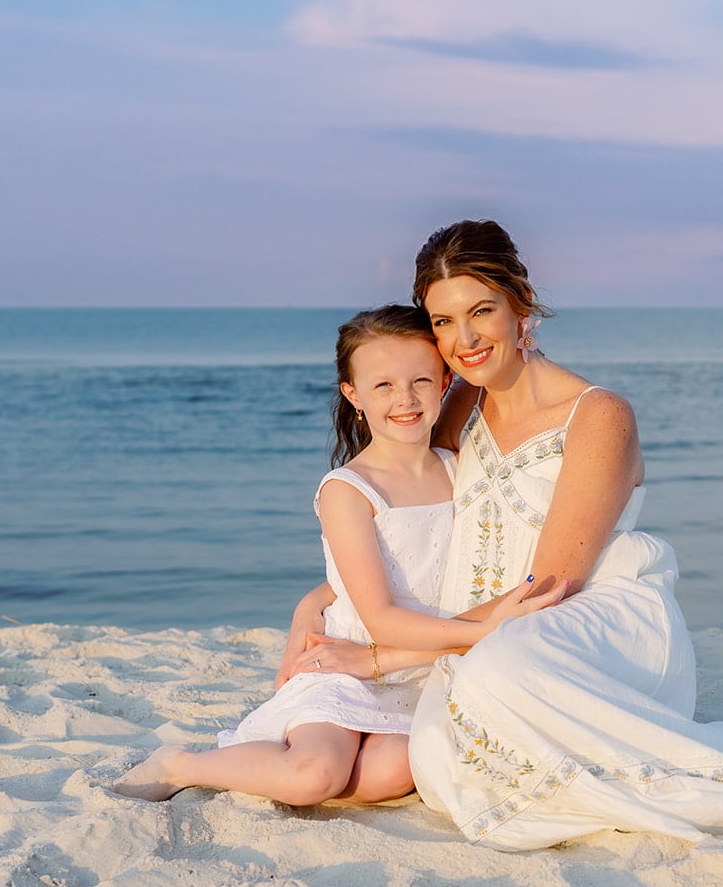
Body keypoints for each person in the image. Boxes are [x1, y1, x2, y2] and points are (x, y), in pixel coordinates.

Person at [284, 221, 723, 850]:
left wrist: (379, 656)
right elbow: (414, 528)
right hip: (484, 629)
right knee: (435, 753)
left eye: (481, 310)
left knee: (497, 669)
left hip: (590, 620)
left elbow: (551, 584)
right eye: (443, 320)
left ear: (521, 307)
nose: (464, 337)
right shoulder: (461, 405)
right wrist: (316, 602)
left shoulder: (597, 415)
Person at [113, 304, 559, 805]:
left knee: (394, 772)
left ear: (446, 381)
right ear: (353, 395)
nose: (405, 400)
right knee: (316, 775)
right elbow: (382, 617)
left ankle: (280, 769)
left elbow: (417, 564)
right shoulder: (350, 490)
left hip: (420, 673)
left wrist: (312, 601)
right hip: (347, 665)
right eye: (383, 386)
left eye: (421, 381)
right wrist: (482, 632)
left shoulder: (460, 471)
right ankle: (184, 764)